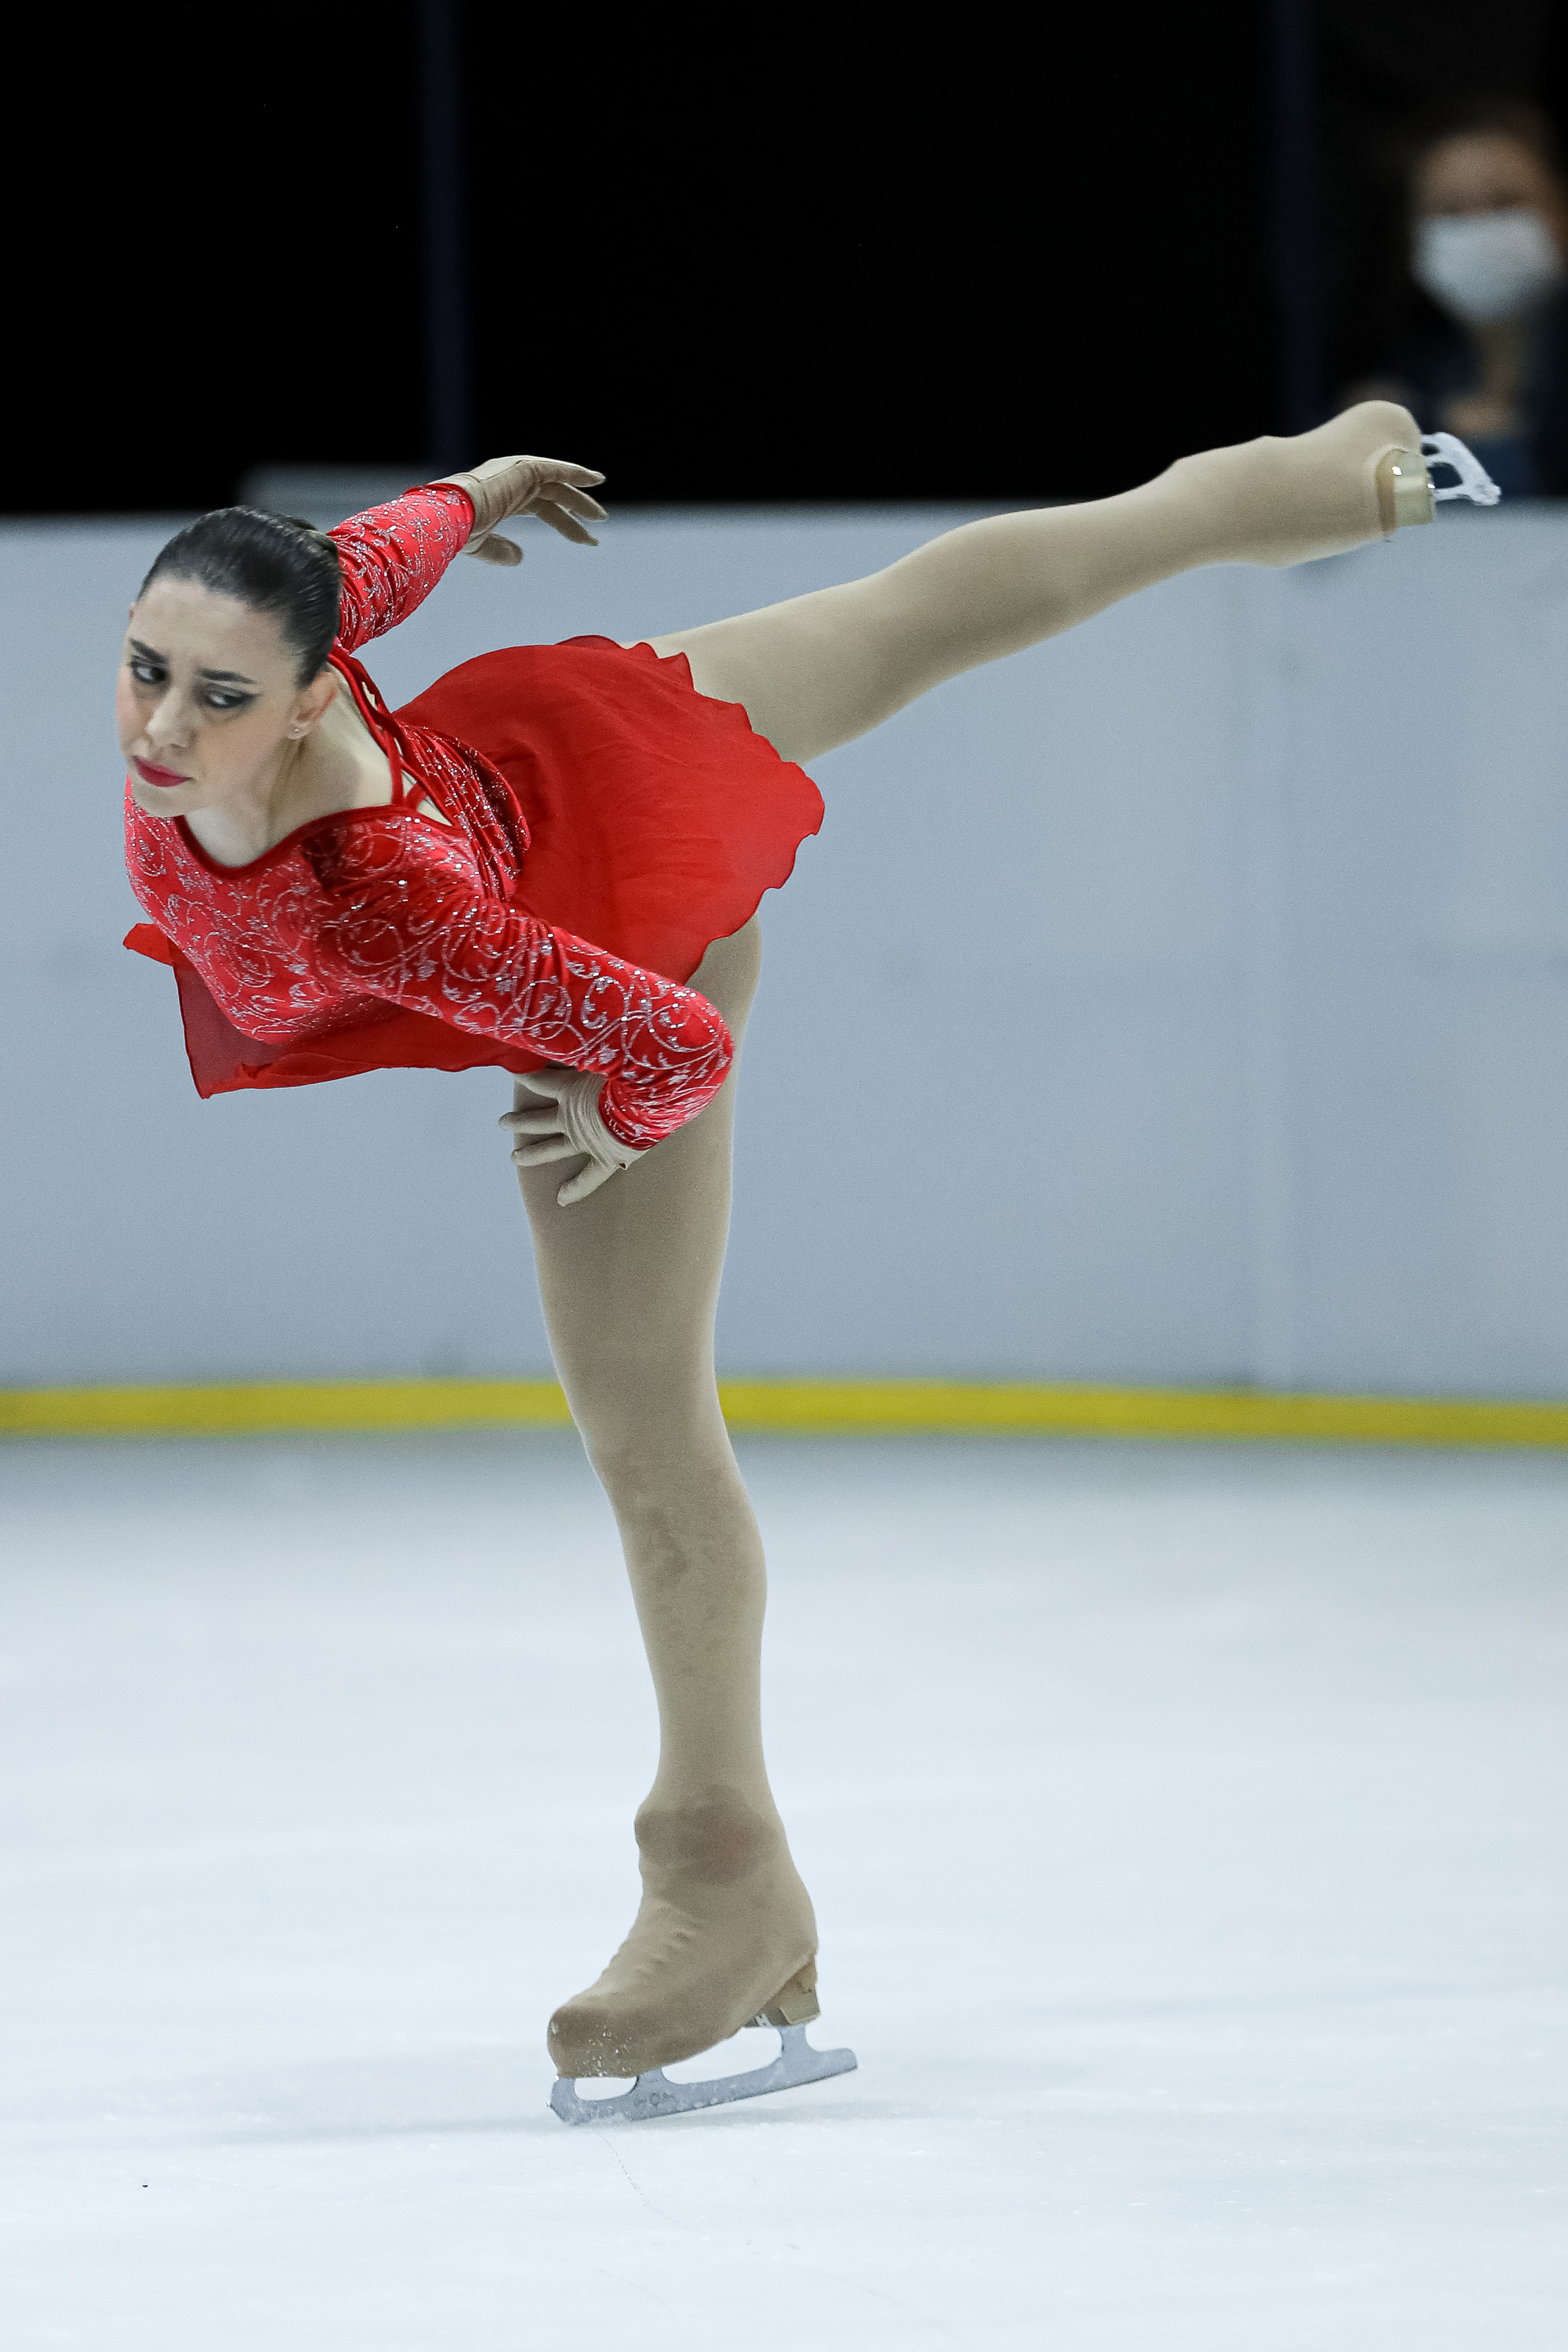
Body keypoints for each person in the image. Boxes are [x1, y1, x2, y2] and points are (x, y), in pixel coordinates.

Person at [119, 401, 1459, 2101]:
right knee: (922, 612)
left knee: (645, 1433)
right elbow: (368, 559)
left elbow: (671, 1036)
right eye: (146, 668)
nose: (163, 725)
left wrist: (616, 1115)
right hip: (567, 752)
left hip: (610, 931)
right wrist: (480, 489)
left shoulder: (383, 895)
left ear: (312, 698)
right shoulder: (298, 618)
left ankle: (719, 1869)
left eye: (218, 696)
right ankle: (1315, 475)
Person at [1389, 100, 1568, 497]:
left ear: (1559, 212)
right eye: (1450, 209)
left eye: (1505, 202)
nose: (1478, 226)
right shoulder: (1416, 378)